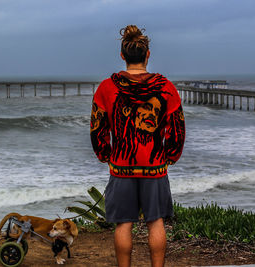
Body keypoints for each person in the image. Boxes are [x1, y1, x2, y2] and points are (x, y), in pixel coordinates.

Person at [90, 25, 185, 267]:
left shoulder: (107, 87)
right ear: (148, 54)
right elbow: (177, 128)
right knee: (156, 222)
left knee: (123, 223)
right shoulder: (166, 88)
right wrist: (171, 156)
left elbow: (97, 127)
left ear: (122, 55)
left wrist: (105, 154)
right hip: (154, 167)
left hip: (122, 166)